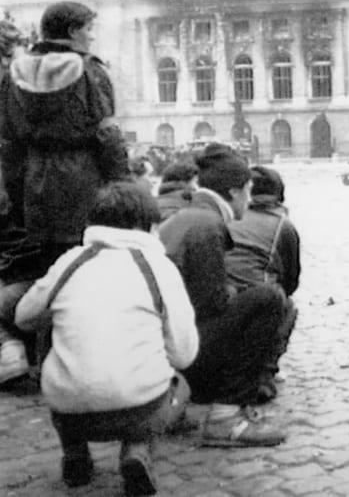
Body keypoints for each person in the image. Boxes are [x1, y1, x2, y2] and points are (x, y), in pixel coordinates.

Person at [14, 182, 198, 496]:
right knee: (181, 385)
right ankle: (137, 448)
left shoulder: (71, 262)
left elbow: (24, 316)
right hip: (138, 409)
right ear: (148, 225)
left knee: (51, 332)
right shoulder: (157, 267)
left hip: (68, 409)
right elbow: (184, 353)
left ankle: (74, 452)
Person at [0, 1, 128, 385]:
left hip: (36, 182)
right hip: (82, 181)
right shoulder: (89, 71)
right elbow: (106, 132)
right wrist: (121, 183)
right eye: (89, 28)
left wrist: (18, 190)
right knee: (85, 267)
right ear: (72, 31)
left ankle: (44, 356)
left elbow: (7, 141)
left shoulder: (13, 75)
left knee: (47, 269)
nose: (92, 36)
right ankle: (83, 359)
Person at [158, 143, 286, 446]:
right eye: (248, 190)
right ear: (232, 192)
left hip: (161, 344)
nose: (250, 199)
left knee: (258, 297)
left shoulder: (189, 216)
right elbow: (211, 304)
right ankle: (225, 417)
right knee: (269, 299)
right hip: (177, 349)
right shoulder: (207, 224)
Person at [224, 165, 300, 399]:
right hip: (259, 300)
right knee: (287, 307)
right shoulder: (283, 226)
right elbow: (291, 278)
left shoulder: (227, 215)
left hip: (219, 300)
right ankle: (264, 375)